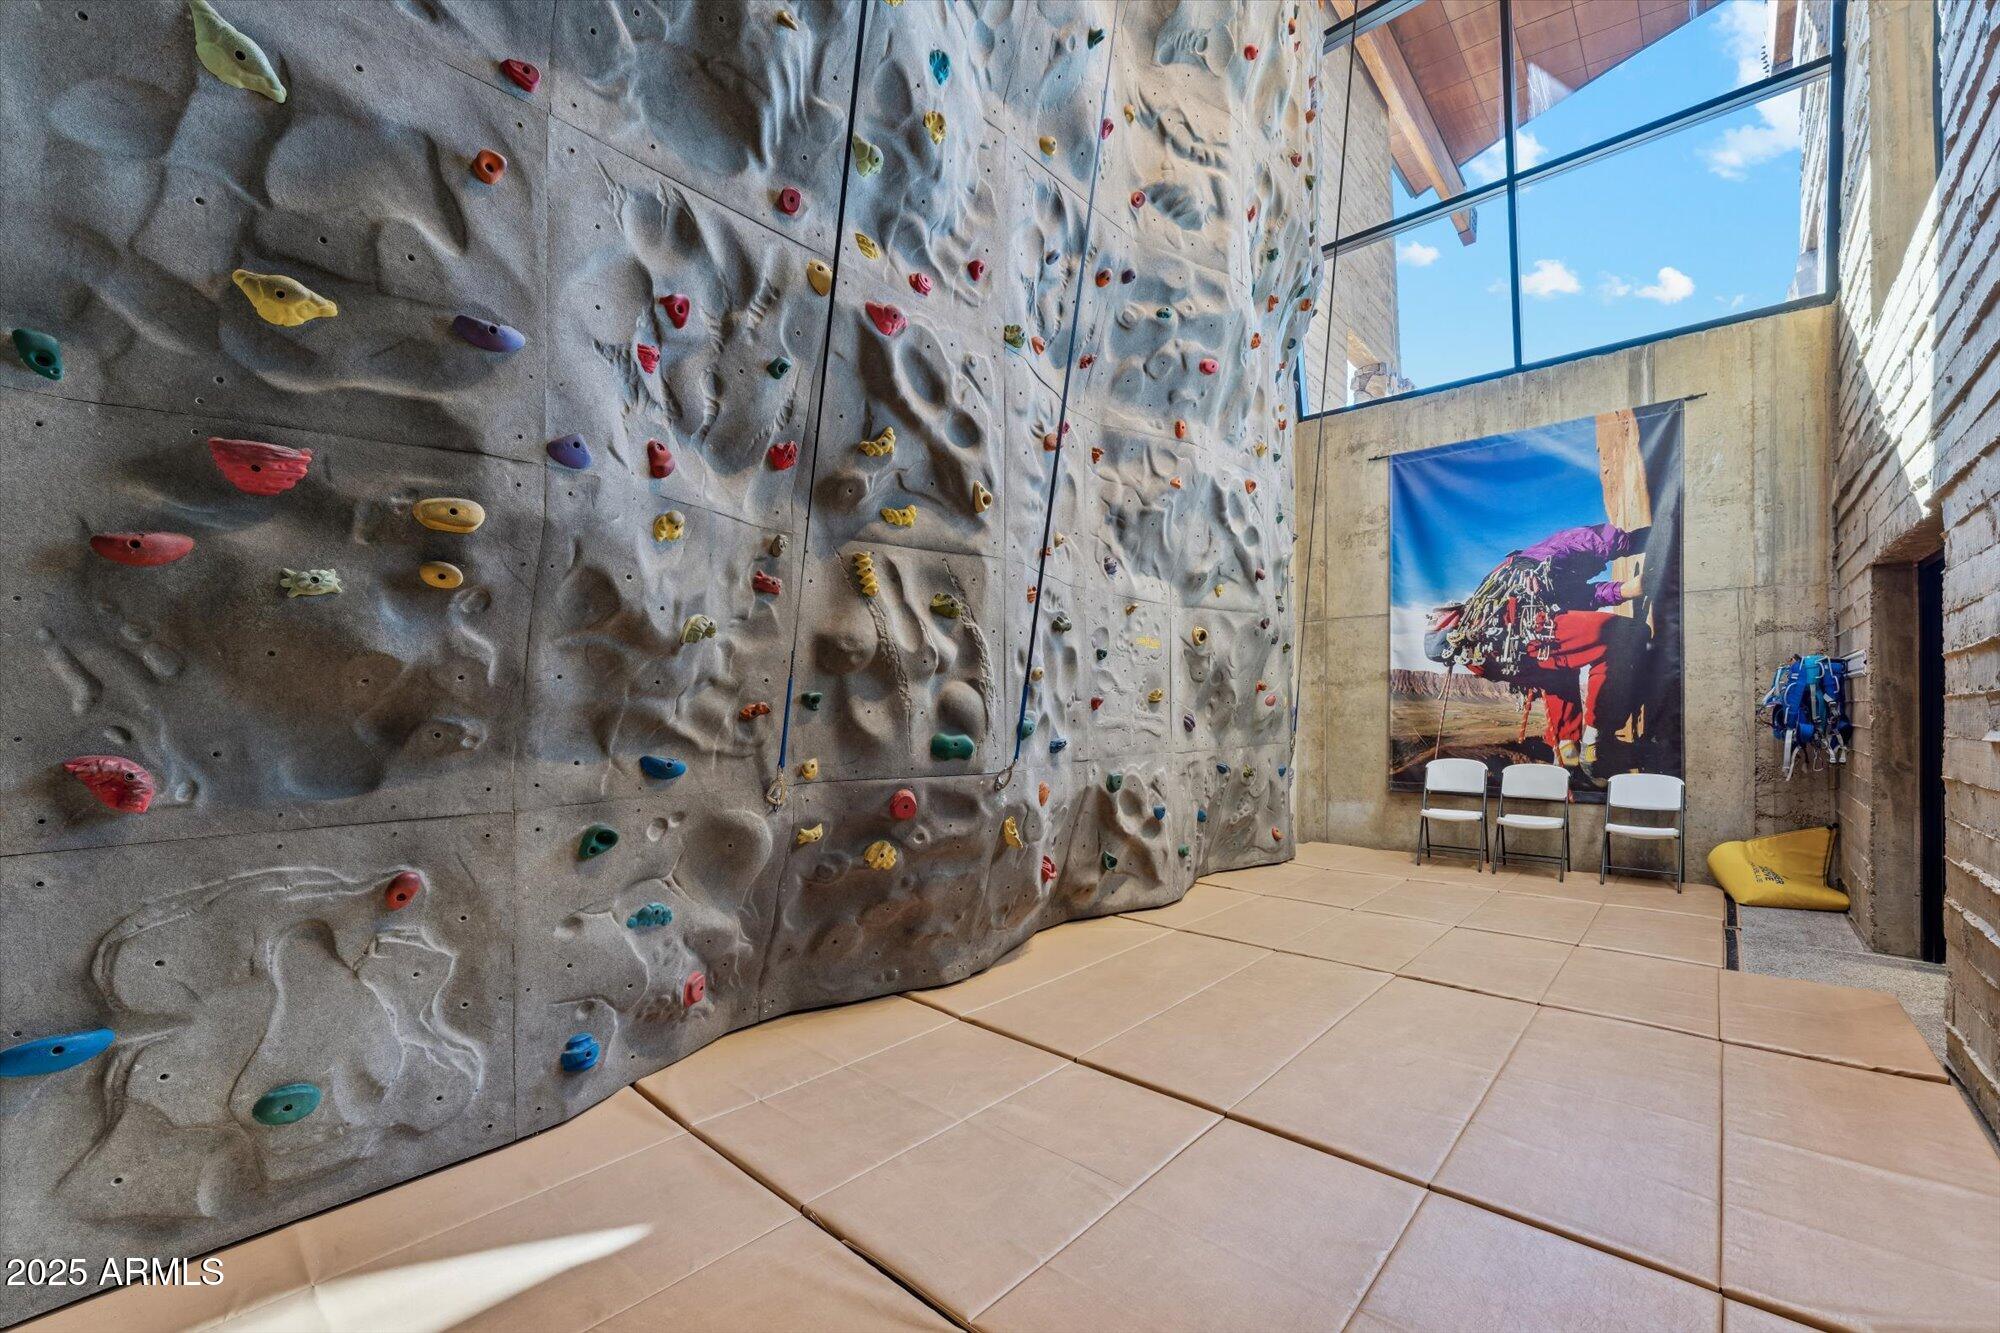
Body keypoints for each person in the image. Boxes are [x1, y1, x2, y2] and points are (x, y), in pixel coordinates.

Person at [1427, 523, 1649, 776]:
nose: (1599, 568)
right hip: (1520, 629)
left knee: (1560, 674)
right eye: (1599, 564)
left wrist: (1625, 590)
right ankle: (1599, 742)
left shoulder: (1547, 574)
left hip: (1492, 654)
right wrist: (1646, 539)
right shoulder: (1560, 547)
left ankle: (1567, 753)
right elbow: (1602, 539)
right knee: (1625, 635)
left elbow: (1586, 597)